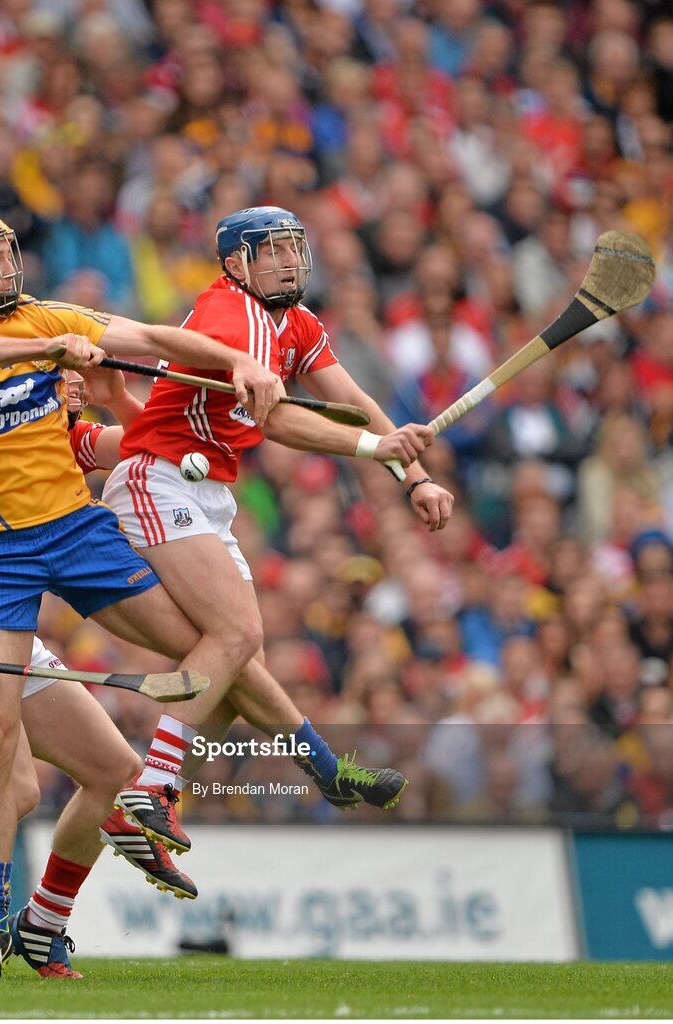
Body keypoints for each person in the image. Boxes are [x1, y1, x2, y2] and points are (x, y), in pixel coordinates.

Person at [0, 209, 282, 980]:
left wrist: (238, 363)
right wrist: (48, 347)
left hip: (75, 537)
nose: (9, 267)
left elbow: (156, 341)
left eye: (8, 253)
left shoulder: (54, 331)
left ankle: (301, 759)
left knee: (211, 651)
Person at [97, 206, 455, 854]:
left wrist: (415, 476)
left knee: (240, 673)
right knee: (236, 636)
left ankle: (324, 771)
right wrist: (378, 451)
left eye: (293, 247)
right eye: (272, 251)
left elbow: (355, 406)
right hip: (158, 479)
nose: (289, 260)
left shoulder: (297, 322)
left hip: (205, 491)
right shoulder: (237, 319)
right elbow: (280, 423)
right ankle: (150, 787)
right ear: (237, 264)